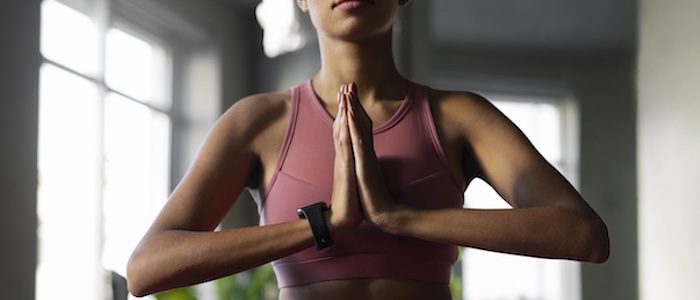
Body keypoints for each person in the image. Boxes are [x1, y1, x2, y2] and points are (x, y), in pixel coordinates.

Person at [126, 1, 610, 299]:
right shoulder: (258, 122)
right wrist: (325, 224)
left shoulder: (459, 117)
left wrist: (401, 217)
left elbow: (583, 235)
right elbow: (147, 269)